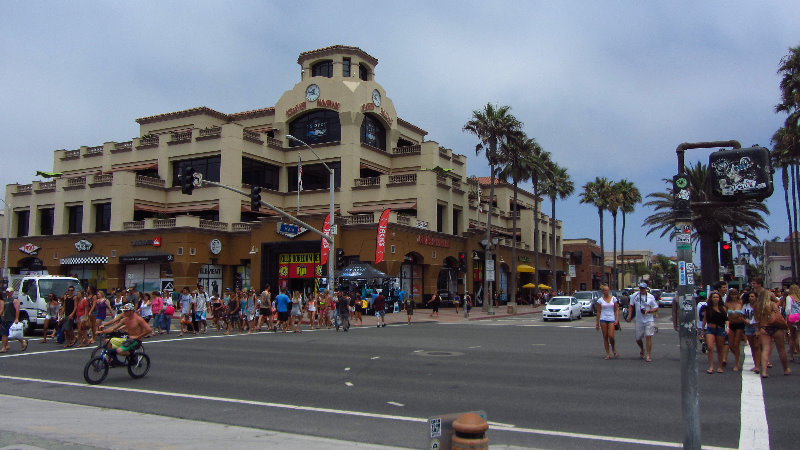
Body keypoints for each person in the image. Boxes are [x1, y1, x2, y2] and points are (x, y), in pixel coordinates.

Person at [752, 277, 791, 377]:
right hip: (776, 327)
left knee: (765, 349)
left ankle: (764, 371)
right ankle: (785, 368)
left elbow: (756, 320)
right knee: (781, 349)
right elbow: (778, 316)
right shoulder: (773, 304)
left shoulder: (757, 306)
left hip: (764, 328)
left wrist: (758, 329)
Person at [626, 282, 658, 362]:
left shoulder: (651, 297)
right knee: (638, 338)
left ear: (646, 289)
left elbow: (655, 307)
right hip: (639, 319)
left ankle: (648, 355)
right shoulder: (635, 295)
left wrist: (649, 311)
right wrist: (629, 316)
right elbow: (631, 305)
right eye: (640, 288)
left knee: (648, 336)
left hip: (649, 319)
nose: (642, 290)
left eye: (643, 288)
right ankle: (642, 349)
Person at [702, 291, 728, 374]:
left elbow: (726, 319)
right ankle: (711, 366)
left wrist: (727, 327)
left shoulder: (723, 308)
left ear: (719, 299)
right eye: (714, 297)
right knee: (710, 347)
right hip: (710, 329)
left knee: (720, 349)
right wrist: (702, 330)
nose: (715, 299)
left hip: (720, 329)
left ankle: (720, 366)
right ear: (711, 299)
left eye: (717, 297)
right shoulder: (707, 308)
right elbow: (704, 319)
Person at [595, 284, 619, 359]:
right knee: (605, 336)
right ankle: (608, 353)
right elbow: (598, 312)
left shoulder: (613, 299)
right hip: (603, 318)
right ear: (602, 291)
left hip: (611, 318)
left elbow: (616, 309)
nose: (606, 291)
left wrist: (617, 319)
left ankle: (613, 348)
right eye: (605, 290)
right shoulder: (600, 300)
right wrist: (597, 323)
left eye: (607, 290)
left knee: (611, 336)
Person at [1, 287, 28, 352]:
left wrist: (16, 318)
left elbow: (17, 310)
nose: (8, 293)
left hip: (11, 319)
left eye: (9, 292)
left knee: (14, 333)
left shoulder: (14, 300)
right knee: (4, 333)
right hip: (5, 318)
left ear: (12, 292)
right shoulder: (5, 300)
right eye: (7, 292)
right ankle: (4, 347)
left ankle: (23, 341)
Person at [724, 288, 745, 371]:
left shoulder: (741, 303)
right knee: (730, 344)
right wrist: (727, 326)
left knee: (736, 344)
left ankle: (736, 363)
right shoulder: (727, 304)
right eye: (732, 294)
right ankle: (737, 356)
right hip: (731, 324)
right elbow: (726, 316)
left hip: (740, 324)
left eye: (735, 294)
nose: (734, 296)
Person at [741, 291, 761, 373]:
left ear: (756, 297)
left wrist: (758, 327)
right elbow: (742, 316)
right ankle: (755, 364)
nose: (751, 298)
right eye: (750, 296)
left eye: (752, 296)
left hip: (756, 326)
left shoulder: (759, 306)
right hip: (748, 326)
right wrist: (746, 321)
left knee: (757, 346)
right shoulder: (746, 306)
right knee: (752, 346)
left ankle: (758, 366)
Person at [784, 284, 800, 362]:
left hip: (792, 318)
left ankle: (791, 356)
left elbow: (788, 309)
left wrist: (786, 318)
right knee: (798, 336)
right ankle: (799, 353)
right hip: (799, 317)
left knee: (792, 337)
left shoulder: (789, 298)